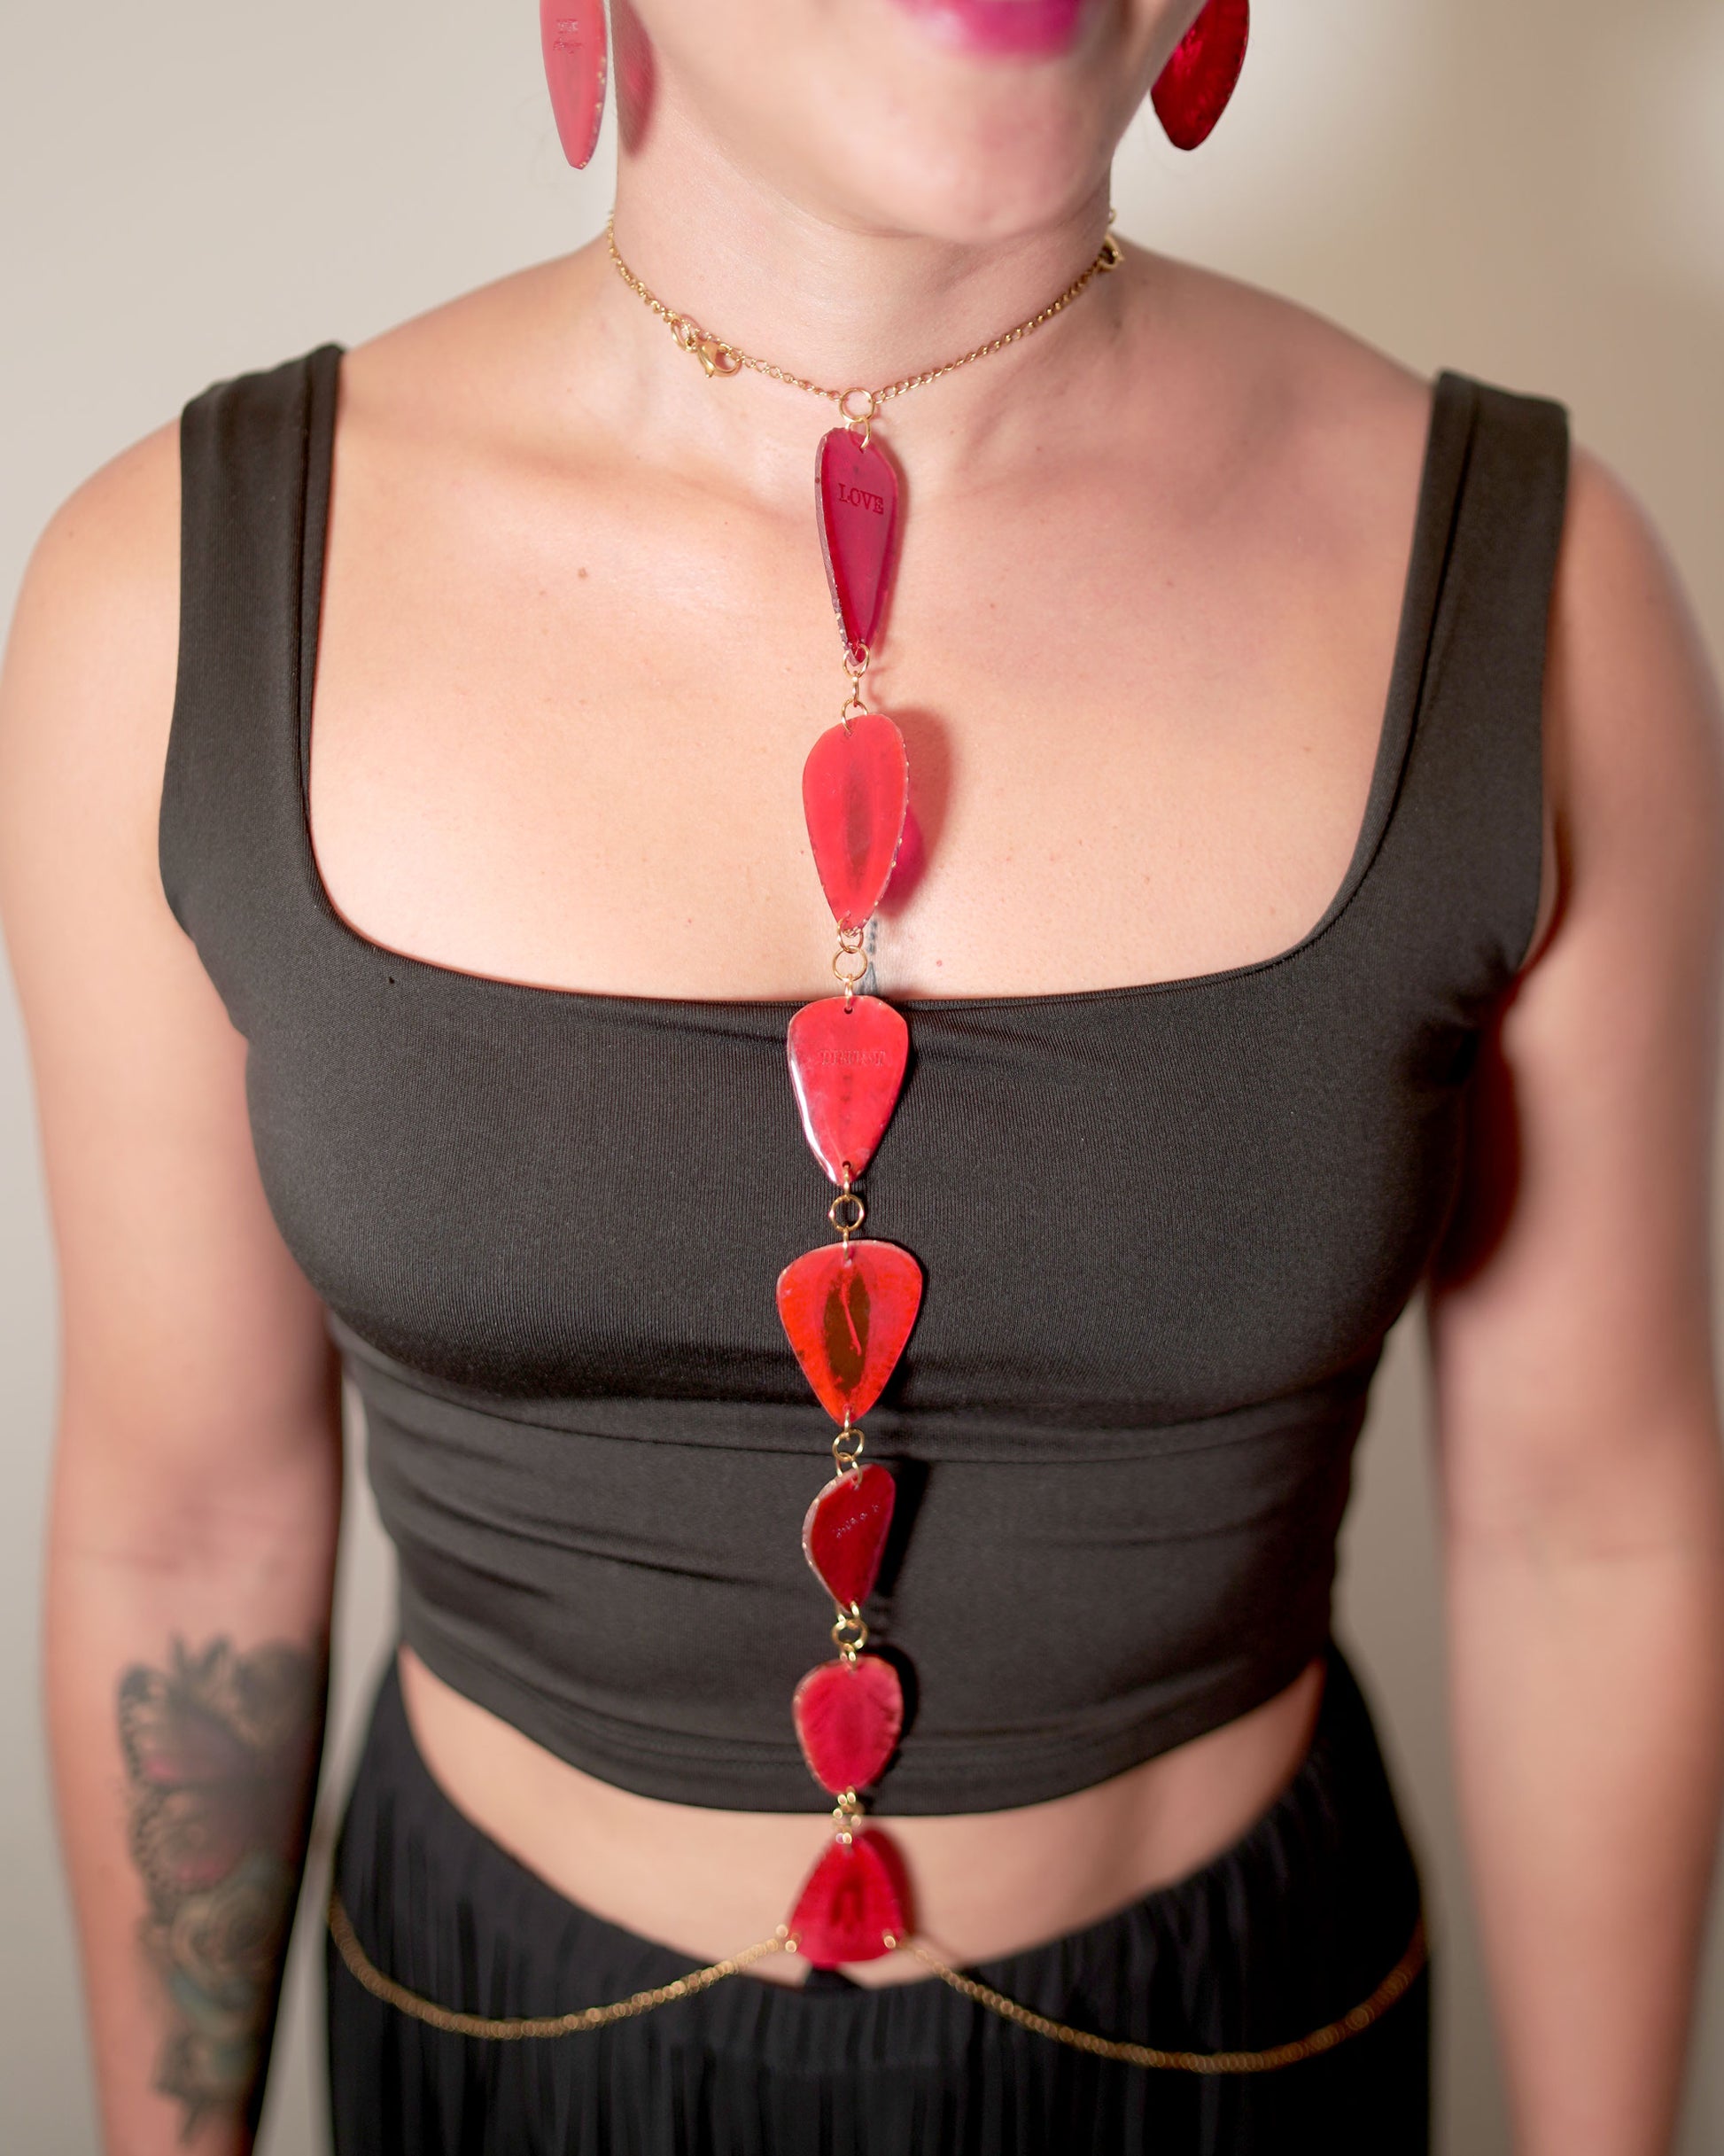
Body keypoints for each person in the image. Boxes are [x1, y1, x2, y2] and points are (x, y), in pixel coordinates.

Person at [4, 2, 1722, 2150]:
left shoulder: (1542, 598)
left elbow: (1588, 1533)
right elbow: (184, 1528)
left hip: (1239, 2049)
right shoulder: (165, 600)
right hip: (488, 2046)